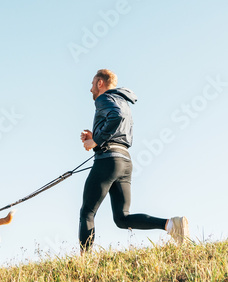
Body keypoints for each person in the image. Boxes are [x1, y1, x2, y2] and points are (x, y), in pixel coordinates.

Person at [79, 69, 189, 252]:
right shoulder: (121, 101)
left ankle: (84, 262)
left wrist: (96, 140)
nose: (90, 89)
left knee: (87, 213)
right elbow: (118, 129)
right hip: (124, 161)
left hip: (108, 160)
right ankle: (171, 225)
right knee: (122, 218)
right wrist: (95, 138)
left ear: (100, 83)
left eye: (92, 84)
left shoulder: (104, 98)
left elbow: (116, 117)